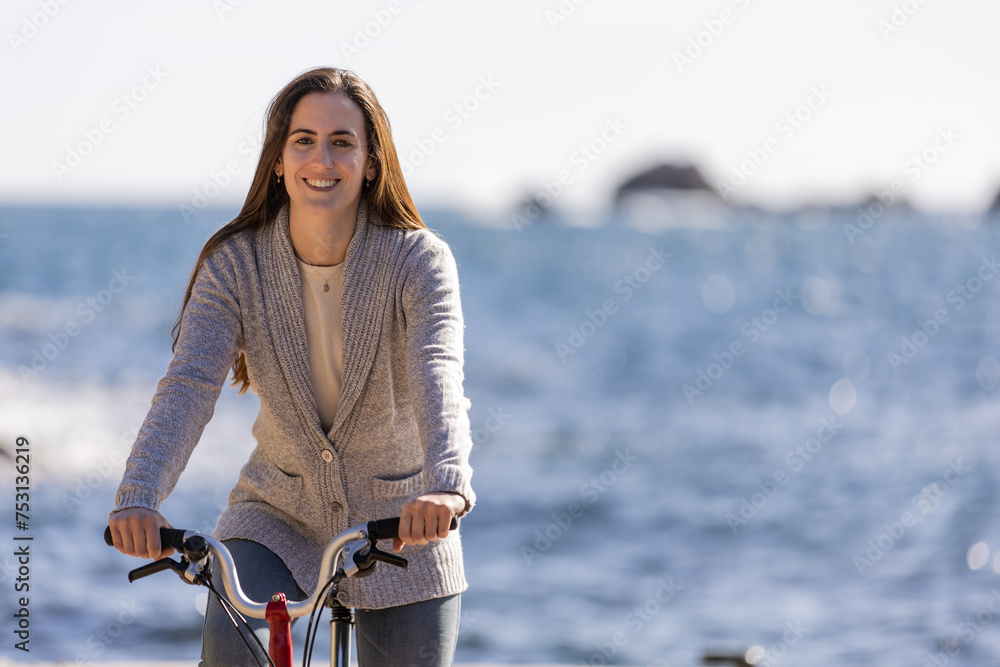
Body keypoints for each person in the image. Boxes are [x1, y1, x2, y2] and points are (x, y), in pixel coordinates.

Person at [107, 67, 475, 667]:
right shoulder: (235, 264)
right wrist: (139, 495)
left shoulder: (419, 260)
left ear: (372, 162)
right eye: (304, 140)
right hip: (275, 515)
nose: (321, 159)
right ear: (278, 160)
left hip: (406, 524)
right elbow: (190, 384)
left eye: (342, 142)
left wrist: (445, 486)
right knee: (232, 649)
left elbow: (438, 372)